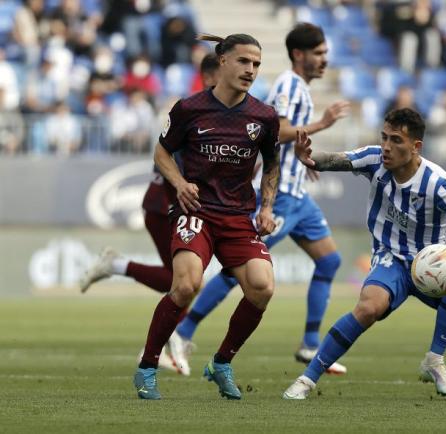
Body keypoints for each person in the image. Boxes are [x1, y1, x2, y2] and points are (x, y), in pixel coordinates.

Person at [282, 108, 446, 400]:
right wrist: (308, 157)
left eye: (395, 140)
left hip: (434, 263)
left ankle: (435, 360)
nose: (386, 146)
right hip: (390, 258)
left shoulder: (441, 186)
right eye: (384, 137)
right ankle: (307, 379)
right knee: (369, 307)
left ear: (415, 146)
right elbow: (334, 160)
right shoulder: (374, 160)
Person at [173, 23, 351, 375]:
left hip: (299, 194)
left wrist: (305, 161)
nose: (324, 61)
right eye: (318, 54)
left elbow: (287, 140)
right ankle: (183, 331)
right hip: (281, 196)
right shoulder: (288, 85)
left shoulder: (301, 87)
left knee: (330, 261)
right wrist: (322, 125)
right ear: (299, 55)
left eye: (326, 54)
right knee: (242, 269)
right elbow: (276, 130)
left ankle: (310, 345)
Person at [132, 32, 282, 401]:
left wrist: (266, 207)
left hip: (237, 216)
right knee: (185, 285)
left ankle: (221, 363)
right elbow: (161, 152)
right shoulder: (189, 109)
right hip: (195, 211)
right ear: (224, 62)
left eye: (257, 64)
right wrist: (180, 183)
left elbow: (273, 165)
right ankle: (148, 367)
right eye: (244, 61)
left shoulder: (264, 117)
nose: (251, 70)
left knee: (263, 287)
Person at [79, 52, 221, 376]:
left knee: (185, 281)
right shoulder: (193, 111)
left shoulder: (212, 113)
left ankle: (116, 267)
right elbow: (164, 158)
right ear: (215, 76)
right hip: (164, 206)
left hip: (178, 207)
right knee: (182, 281)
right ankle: (171, 343)